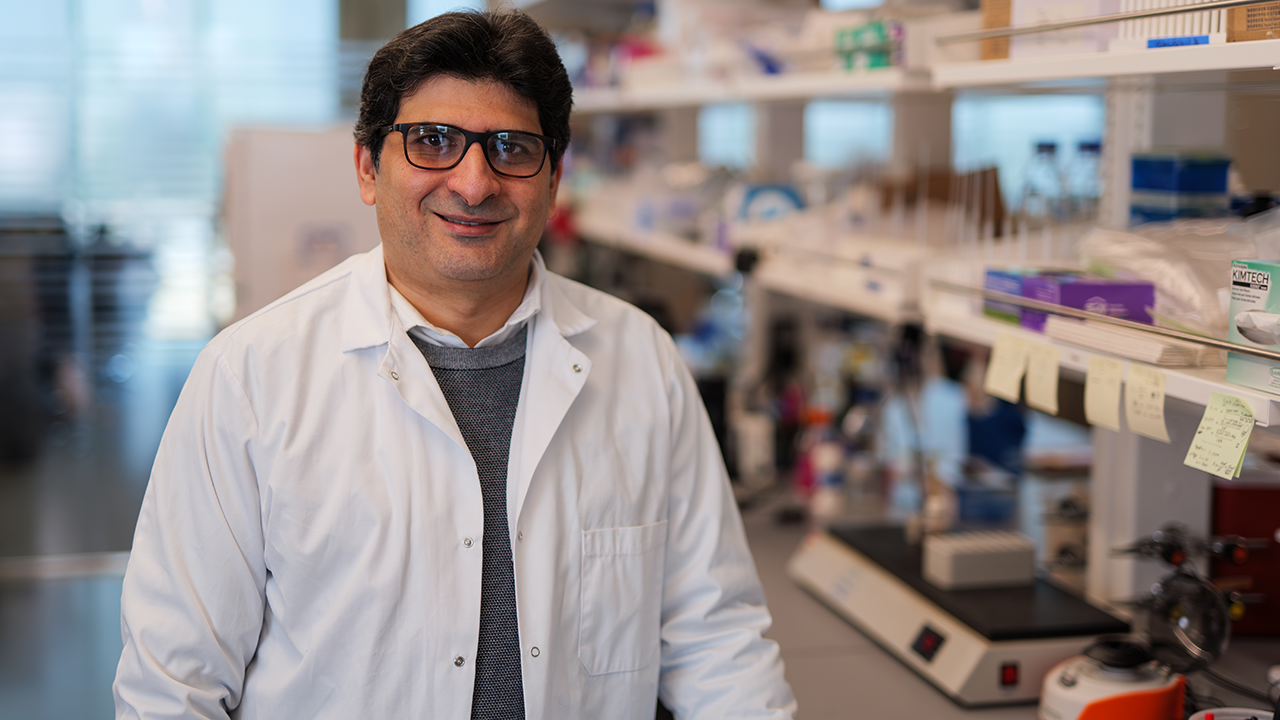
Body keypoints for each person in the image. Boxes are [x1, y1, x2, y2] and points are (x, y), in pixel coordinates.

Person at [114, 9, 796, 720]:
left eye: (511, 148)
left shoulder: (641, 361)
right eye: (433, 141)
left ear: (554, 180)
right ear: (367, 169)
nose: (474, 183)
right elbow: (173, 684)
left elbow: (718, 644)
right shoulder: (250, 377)